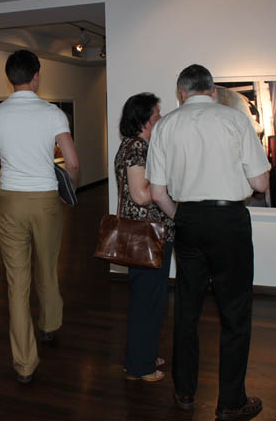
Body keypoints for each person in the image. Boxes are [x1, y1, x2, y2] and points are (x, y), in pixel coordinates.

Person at [145, 64, 270, 419]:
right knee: (235, 313)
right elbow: (260, 184)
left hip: (188, 219)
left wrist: (181, 217)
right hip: (230, 221)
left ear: (181, 93)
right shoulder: (235, 120)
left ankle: (185, 393)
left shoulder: (166, 125)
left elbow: (157, 192)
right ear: (213, 91)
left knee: (187, 311)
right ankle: (230, 402)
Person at [0, 50, 79, 384]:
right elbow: (72, 163)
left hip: (10, 202)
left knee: (16, 282)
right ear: (36, 76)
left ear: (10, 78)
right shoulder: (53, 114)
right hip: (46, 200)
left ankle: (24, 363)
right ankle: (49, 324)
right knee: (47, 267)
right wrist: (69, 188)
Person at [115, 93, 175, 382]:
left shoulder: (132, 146)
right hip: (148, 235)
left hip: (147, 235)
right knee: (147, 301)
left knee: (149, 299)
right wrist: (166, 179)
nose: (160, 119)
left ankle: (144, 354)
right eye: (157, 115)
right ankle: (140, 366)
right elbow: (140, 195)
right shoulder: (138, 147)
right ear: (146, 120)